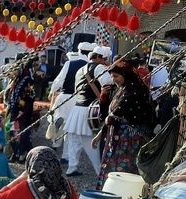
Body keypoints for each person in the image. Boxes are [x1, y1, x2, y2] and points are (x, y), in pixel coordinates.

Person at [94, 61, 155, 190]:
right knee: (116, 167)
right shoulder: (123, 88)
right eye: (112, 76)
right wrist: (103, 97)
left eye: (116, 76)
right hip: (120, 136)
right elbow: (108, 115)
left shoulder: (135, 90)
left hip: (131, 139)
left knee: (125, 169)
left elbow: (114, 115)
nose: (113, 79)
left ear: (125, 74)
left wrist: (106, 125)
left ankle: (123, 194)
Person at [63, 46, 112, 177]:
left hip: (77, 108)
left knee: (74, 142)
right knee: (91, 144)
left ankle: (72, 168)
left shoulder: (80, 69)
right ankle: (100, 173)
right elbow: (108, 84)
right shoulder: (99, 67)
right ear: (100, 58)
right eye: (105, 59)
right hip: (89, 109)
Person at [49, 42, 93, 158]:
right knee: (71, 128)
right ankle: (66, 155)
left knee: (59, 120)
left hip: (63, 97)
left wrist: (52, 91)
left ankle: (55, 143)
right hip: (78, 100)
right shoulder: (90, 66)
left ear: (79, 51)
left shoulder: (69, 63)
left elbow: (59, 81)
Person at [7, 60, 35, 163]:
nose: (13, 72)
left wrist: (21, 106)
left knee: (23, 133)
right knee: (12, 132)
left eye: (15, 69)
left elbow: (31, 96)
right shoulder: (16, 80)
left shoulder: (28, 80)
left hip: (23, 113)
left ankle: (23, 153)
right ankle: (15, 152)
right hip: (14, 111)